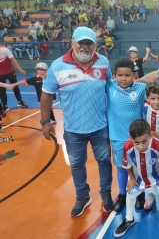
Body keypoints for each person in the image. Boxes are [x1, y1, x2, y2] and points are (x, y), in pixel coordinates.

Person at [40, 27, 114, 217]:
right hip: (73, 129)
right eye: (80, 42)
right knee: (77, 164)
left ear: (95, 45)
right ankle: (82, 196)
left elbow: (111, 90)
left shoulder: (104, 63)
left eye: (89, 42)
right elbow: (47, 95)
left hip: (100, 126)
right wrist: (45, 121)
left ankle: (106, 193)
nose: (84, 46)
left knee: (104, 161)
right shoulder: (57, 66)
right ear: (71, 42)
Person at [114, 120, 159, 238]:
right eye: (136, 142)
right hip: (139, 175)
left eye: (144, 142)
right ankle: (129, 219)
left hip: (156, 174)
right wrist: (132, 178)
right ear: (131, 139)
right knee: (131, 191)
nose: (140, 146)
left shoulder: (157, 145)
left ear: (150, 136)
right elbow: (127, 165)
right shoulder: (127, 147)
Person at [106, 58, 147, 213]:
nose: (123, 78)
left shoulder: (141, 89)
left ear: (134, 74)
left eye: (128, 75)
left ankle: (140, 193)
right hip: (116, 137)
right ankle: (122, 195)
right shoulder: (109, 86)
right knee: (121, 167)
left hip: (137, 138)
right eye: (120, 75)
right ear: (115, 75)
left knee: (139, 165)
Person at [0, 46, 27, 111]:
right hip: (0, 74)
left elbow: (13, 59)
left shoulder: (4, 49)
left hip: (10, 72)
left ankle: (19, 101)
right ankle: (5, 105)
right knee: (2, 90)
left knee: (15, 87)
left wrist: (19, 69)